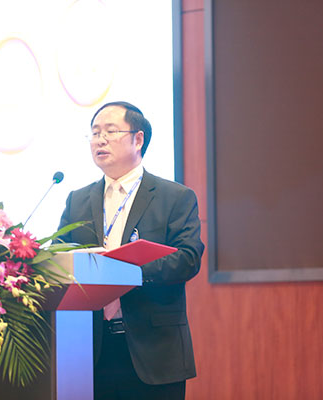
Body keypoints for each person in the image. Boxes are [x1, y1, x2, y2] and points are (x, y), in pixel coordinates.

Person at [57, 101, 204, 400]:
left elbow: (187, 258)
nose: (99, 140)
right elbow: (59, 259)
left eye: (110, 131)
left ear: (138, 139)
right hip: (89, 352)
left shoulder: (175, 197)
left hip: (154, 351)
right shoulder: (77, 200)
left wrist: (123, 272)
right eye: (94, 132)